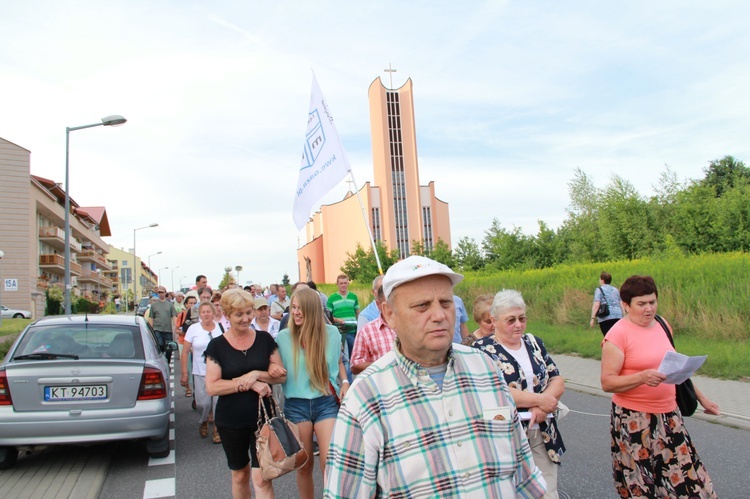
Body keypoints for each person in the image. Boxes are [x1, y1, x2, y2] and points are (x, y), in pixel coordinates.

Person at [325, 256, 546, 498]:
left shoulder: (486, 368)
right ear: (389, 315)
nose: (439, 315)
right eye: (422, 305)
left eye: (445, 302)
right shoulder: (365, 398)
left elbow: (524, 478)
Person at [600, 275, 719, 497]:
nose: (648, 309)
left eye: (652, 302)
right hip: (634, 421)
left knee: (686, 480)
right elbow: (607, 382)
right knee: (643, 485)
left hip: (669, 416)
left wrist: (702, 399)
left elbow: (676, 368)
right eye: (641, 304)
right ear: (626, 306)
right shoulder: (617, 334)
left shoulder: (663, 325)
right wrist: (641, 377)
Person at [473, 290, 566, 498]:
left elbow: (557, 379)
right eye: (511, 320)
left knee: (547, 489)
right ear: (494, 321)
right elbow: (495, 389)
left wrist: (541, 406)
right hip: (504, 431)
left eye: (522, 319)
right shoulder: (481, 350)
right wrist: (540, 400)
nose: (518, 325)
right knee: (509, 490)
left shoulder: (534, 343)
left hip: (541, 427)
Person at [205, 289, 287, 499]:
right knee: (240, 475)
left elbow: (280, 376)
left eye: (248, 313)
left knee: (263, 477)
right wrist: (249, 384)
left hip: (263, 420)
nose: (246, 319)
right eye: (239, 314)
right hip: (231, 422)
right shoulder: (217, 346)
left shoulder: (265, 339)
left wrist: (256, 374)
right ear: (227, 315)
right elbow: (212, 387)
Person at [276, 288, 348, 499]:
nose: (296, 313)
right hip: (296, 405)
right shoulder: (283, 337)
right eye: (293, 308)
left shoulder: (332, 334)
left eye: (301, 308)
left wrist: (344, 382)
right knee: (305, 465)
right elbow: (276, 369)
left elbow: (337, 361)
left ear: (313, 310)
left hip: (326, 402)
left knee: (329, 461)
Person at [182, 301, 225, 444]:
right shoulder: (193, 329)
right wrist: (184, 373)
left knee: (218, 403)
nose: (206, 314)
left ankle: (217, 429)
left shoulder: (220, 328)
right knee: (203, 403)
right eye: (203, 312)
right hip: (200, 372)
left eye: (209, 311)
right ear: (200, 314)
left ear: (213, 313)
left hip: (219, 372)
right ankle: (204, 420)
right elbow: (185, 351)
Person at [349, 284, 396, 375]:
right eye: (387, 305)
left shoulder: (409, 326)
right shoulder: (367, 331)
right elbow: (355, 365)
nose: (391, 308)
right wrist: (382, 364)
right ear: (378, 305)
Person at [326, 274, 359, 358]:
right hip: (339, 331)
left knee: (353, 355)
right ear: (337, 284)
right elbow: (327, 316)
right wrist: (337, 320)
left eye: (345, 283)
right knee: (342, 356)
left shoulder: (353, 296)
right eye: (341, 283)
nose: (343, 285)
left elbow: (357, 312)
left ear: (348, 283)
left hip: (352, 331)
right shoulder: (332, 298)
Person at [176, 292, 199, 396]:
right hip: (183, 342)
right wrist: (186, 332)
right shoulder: (181, 315)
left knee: (196, 366)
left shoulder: (199, 315)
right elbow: (177, 329)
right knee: (187, 366)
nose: (192, 305)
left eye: (194, 303)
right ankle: (188, 388)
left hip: (195, 344)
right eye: (190, 303)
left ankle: (196, 388)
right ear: (186, 304)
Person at [148, 286, 177, 363]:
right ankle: (161, 361)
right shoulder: (154, 305)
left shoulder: (170, 305)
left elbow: (174, 316)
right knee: (160, 344)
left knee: (169, 348)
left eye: (162, 292)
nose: (161, 294)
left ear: (165, 293)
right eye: (159, 292)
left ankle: (167, 362)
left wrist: (176, 327)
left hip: (167, 329)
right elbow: (151, 318)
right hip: (157, 329)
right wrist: (151, 329)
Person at [590, 271, 623, 336]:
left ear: (602, 280)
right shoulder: (615, 289)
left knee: (608, 337)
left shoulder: (599, 290)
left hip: (606, 317)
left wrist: (592, 318)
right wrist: (623, 316)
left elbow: (596, 304)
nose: (599, 280)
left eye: (600, 279)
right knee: (617, 337)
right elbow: (620, 303)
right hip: (618, 316)